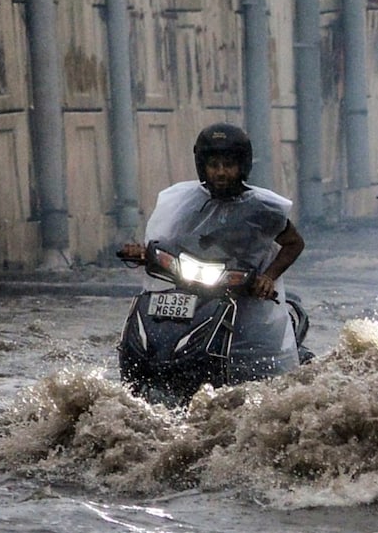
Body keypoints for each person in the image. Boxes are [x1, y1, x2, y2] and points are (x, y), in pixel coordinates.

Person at [118, 123, 307, 375]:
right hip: (190, 286)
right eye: (214, 165)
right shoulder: (184, 202)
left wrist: (267, 277)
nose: (220, 172)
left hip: (242, 294)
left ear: (242, 166)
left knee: (260, 369)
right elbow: (166, 240)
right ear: (202, 166)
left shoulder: (263, 208)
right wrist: (143, 254)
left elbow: (294, 243)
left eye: (228, 165)